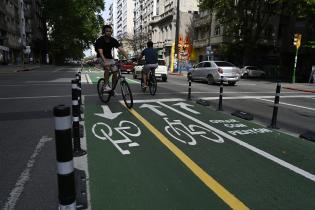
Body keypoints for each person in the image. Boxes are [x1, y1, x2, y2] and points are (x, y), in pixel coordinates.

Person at [95, 25, 129, 91]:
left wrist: (128, 58)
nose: (109, 32)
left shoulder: (113, 40)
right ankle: (105, 85)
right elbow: (101, 52)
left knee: (115, 72)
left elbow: (121, 49)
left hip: (110, 58)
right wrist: (105, 61)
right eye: (107, 31)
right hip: (101, 58)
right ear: (104, 32)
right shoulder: (100, 40)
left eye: (110, 31)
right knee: (107, 68)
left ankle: (113, 88)